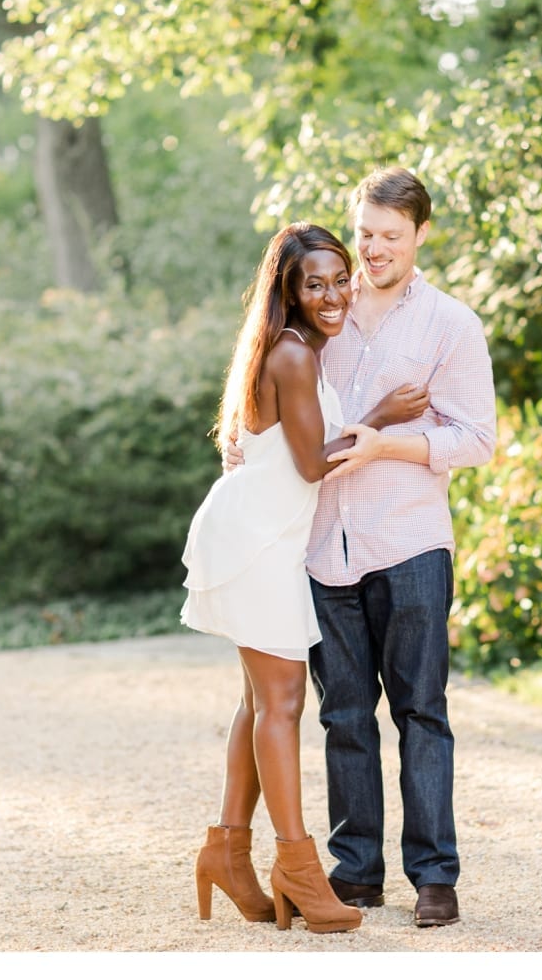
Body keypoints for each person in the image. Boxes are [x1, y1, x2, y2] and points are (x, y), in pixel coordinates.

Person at [226, 167, 496, 928]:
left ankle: (435, 877)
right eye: (367, 234)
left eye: (391, 237)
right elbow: (273, 426)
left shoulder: (450, 325)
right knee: (342, 715)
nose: (374, 251)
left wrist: (389, 446)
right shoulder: (319, 317)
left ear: (420, 237)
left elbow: (476, 439)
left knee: (421, 713)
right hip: (318, 550)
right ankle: (356, 874)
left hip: (408, 541)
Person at [180, 221, 428, 935]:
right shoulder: (291, 355)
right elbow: (314, 464)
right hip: (257, 542)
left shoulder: (297, 352)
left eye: (338, 280)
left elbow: (298, 455)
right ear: (287, 291)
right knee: (282, 702)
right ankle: (295, 865)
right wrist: (379, 418)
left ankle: (227, 853)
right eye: (312, 283)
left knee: (259, 702)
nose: (331, 295)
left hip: (269, 539)